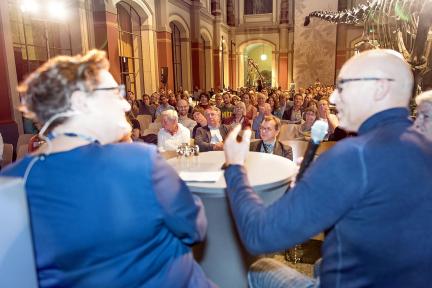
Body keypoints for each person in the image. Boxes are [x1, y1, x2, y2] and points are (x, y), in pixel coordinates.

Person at [0, 50, 214, 288]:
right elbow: (195, 228)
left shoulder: (10, 181)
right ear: (80, 101)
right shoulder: (139, 161)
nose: (125, 102)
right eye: (115, 93)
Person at [222, 49, 432, 287]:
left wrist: (235, 165)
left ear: (380, 88)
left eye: (343, 86)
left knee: (260, 268)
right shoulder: (424, 144)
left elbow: (258, 235)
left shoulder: (353, 155)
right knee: (322, 262)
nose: (332, 99)